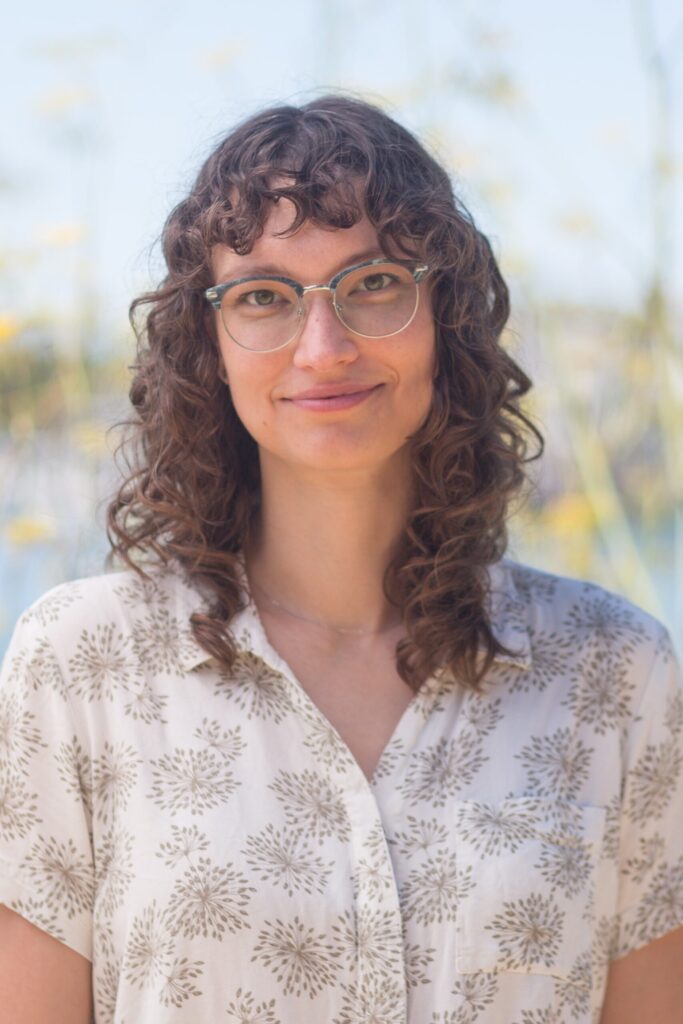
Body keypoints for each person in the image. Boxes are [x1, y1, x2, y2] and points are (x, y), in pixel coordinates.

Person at [0, 95, 681, 1024]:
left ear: (445, 314)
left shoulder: (615, 672)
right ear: (210, 344)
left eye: (372, 284)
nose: (322, 349)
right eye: (263, 297)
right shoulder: (80, 666)